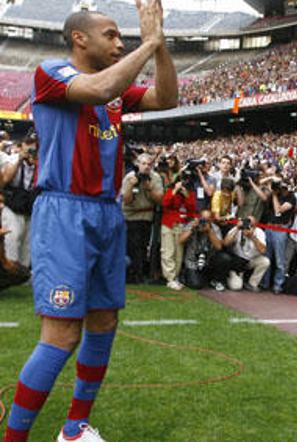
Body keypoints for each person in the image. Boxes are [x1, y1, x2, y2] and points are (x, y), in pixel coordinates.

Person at [4, 3, 178, 442]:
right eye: (112, 35)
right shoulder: (51, 73)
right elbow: (99, 90)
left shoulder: (115, 90)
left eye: (123, 36)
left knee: (104, 322)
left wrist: (160, 47)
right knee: (61, 335)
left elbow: (166, 98)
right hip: (64, 213)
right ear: (80, 38)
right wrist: (148, 42)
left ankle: (74, 429)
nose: (121, 43)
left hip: (106, 213)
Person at [121, 153, 163, 284]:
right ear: (138, 164)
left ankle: (139, 274)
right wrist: (131, 186)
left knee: (143, 246)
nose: (146, 167)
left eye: (149, 164)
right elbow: (126, 200)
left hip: (146, 216)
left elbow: (160, 200)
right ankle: (130, 274)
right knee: (130, 246)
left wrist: (149, 189)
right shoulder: (130, 177)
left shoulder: (155, 178)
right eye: (143, 164)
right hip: (130, 215)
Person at [0, 137, 37, 268]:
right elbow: (4, 180)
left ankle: (23, 273)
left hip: (29, 208)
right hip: (12, 206)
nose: (31, 150)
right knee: (13, 238)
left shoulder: (40, 162)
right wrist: (20, 159)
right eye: (28, 146)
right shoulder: (13, 159)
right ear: (22, 146)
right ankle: (10, 269)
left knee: (28, 242)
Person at [160, 171, 197, 290]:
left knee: (179, 253)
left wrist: (187, 196)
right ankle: (169, 278)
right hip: (169, 224)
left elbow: (191, 209)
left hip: (181, 225)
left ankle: (175, 277)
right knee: (168, 251)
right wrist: (175, 190)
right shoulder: (170, 190)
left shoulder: (189, 192)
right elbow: (164, 203)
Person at [178, 209, 228, 290]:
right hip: (192, 261)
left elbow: (219, 247)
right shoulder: (192, 225)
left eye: (207, 220)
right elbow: (180, 240)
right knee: (196, 285)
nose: (204, 222)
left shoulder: (215, 228)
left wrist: (209, 231)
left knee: (224, 258)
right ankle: (186, 275)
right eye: (203, 219)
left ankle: (215, 280)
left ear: (211, 220)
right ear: (199, 218)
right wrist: (192, 229)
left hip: (208, 261)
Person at [261, 178, 296, 294]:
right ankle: (265, 283)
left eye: (285, 188)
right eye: (281, 187)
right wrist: (270, 181)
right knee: (267, 257)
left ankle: (277, 285)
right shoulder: (273, 194)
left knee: (279, 260)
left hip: (281, 229)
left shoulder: (291, 197)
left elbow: (279, 210)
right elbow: (263, 194)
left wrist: (275, 195)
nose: (282, 190)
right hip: (269, 227)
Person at [223, 216, 270, 292]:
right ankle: (231, 276)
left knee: (265, 261)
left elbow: (263, 250)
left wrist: (253, 238)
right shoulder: (238, 229)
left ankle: (252, 284)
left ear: (255, 226)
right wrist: (237, 228)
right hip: (237, 263)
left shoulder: (259, 232)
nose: (248, 227)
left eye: (251, 225)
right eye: (247, 224)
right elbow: (225, 243)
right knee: (236, 287)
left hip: (251, 261)